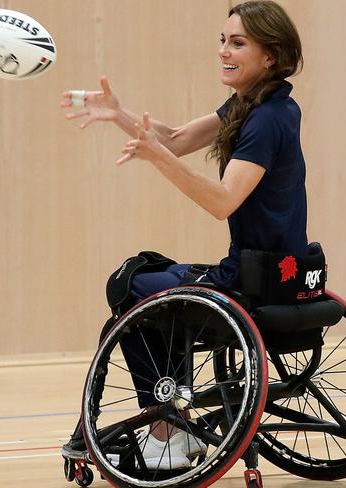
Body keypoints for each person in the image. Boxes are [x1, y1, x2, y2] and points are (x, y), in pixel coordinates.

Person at [61, 0, 306, 470]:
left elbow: (221, 201)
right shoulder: (259, 105)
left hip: (250, 283)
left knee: (132, 286)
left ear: (269, 55)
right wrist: (118, 115)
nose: (223, 51)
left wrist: (157, 159)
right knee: (156, 280)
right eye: (222, 40)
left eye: (238, 43)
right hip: (280, 274)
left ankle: (166, 431)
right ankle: (173, 427)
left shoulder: (265, 121)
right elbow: (174, 140)